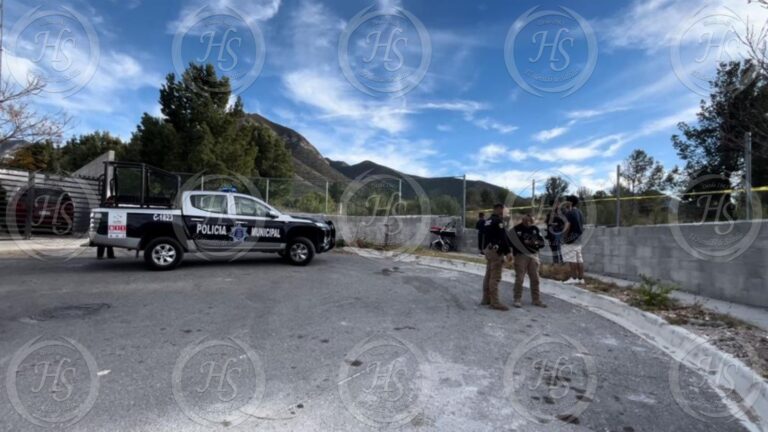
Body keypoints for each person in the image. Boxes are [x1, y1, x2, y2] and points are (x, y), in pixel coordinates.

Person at [511, 214, 547, 308]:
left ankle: (536, 299)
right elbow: (510, 242)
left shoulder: (534, 229)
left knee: (535, 278)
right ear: (523, 220)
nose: (529, 223)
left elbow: (542, 243)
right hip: (521, 255)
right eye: (527, 221)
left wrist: (533, 242)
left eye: (531, 221)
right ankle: (517, 299)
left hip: (533, 255)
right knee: (520, 278)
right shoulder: (516, 229)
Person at [481, 204, 511, 311]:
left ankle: (486, 298)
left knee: (488, 275)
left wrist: (483, 248)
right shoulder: (498, 221)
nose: (505, 212)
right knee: (495, 277)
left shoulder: (487, 221)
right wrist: (508, 252)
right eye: (504, 210)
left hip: (488, 250)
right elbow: (503, 238)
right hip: (495, 251)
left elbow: (483, 235)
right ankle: (495, 302)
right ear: (498, 209)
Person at [562, 196, 585, 284]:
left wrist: (564, 237)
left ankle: (573, 278)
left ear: (570, 203)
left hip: (571, 239)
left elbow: (567, 226)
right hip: (579, 238)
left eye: (566, 201)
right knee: (579, 259)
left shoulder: (569, 213)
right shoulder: (580, 212)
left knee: (572, 259)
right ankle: (581, 279)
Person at [544, 201, 565, 265]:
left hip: (557, 232)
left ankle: (561, 261)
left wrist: (556, 225)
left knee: (558, 248)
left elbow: (564, 223)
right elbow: (546, 221)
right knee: (553, 248)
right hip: (551, 233)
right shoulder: (550, 213)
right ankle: (555, 262)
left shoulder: (561, 213)